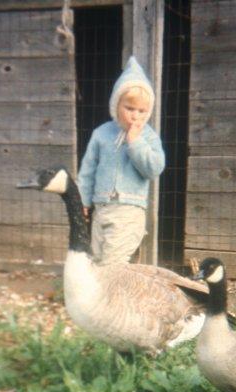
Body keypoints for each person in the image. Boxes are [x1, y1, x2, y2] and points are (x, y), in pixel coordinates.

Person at [77, 56, 165, 265]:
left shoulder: (148, 137)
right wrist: (83, 199)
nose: (135, 116)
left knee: (113, 263)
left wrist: (135, 143)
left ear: (148, 111)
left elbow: (154, 169)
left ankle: (113, 297)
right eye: (129, 108)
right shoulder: (101, 134)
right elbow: (88, 170)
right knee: (97, 258)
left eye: (141, 111)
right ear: (116, 105)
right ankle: (102, 297)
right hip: (102, 208)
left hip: (129, 210)